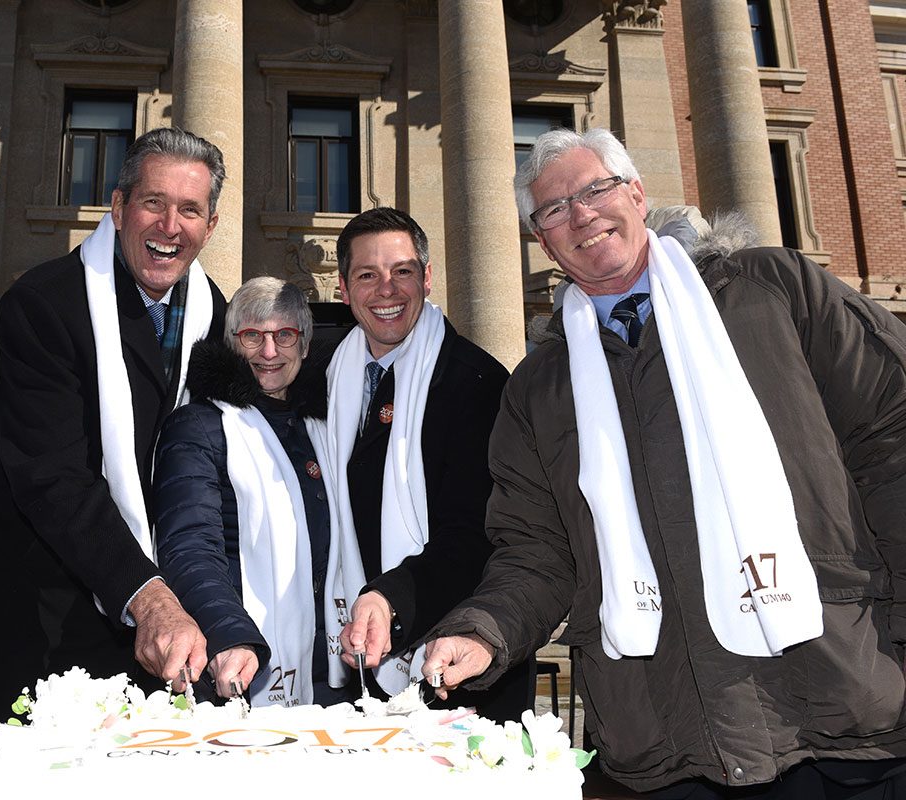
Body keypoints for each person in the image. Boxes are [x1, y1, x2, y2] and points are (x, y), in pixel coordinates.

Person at [424, 127, 906, 797]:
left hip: (844, 707)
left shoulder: (773, 290)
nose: (581, 214)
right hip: (664, 743)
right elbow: (535, 551)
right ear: (543, 240)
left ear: (637, 193)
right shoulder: (538, 389)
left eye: (595, 190)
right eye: (555, 209)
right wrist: (484, 633)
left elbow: (892, 442)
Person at [0, 128, 228, 721]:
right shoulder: (42, 304)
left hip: (171, 638)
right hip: (48, 625)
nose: (169, 226)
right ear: (118, 206)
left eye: (190, 209)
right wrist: (149, 595)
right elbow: (52, 477)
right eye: (154, 203)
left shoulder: (218, 317)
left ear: (210, 227)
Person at [326, 207, 533, 723]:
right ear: (343, 288)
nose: (387, 290)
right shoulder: (328, 378)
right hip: (360, 665)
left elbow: (478, 532)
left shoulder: (476, 383)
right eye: (367, 275)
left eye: (403, 272)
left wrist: (389, 598)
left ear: (427, 276)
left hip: (462, 661)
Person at [153, 277, 352, 708]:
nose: (268, 352)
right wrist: (231, 634)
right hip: (236, 663)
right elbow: (189, 546)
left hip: (334, 670)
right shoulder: (200, 427)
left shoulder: (326, 427)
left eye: (284, 335)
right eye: (251, 336)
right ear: (231, 343)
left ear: (304, 344)